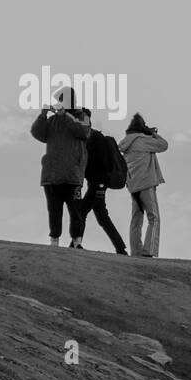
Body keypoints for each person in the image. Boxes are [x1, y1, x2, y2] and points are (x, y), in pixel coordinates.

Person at [31, 86, 90, 247]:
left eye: (62, 100)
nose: (60, 104)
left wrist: (65, 117)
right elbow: (37, 133)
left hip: (72, 175)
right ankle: (54, 240)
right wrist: (43, 115)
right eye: (59, 101)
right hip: (52, 175)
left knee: (76, 211)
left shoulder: (82, 116)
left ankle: (77, 240)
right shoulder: (52, 120)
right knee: (54, 211)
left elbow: (84, 132)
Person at [75, 109, 127, 254]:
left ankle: (75, 244)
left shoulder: (95, 139)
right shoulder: (89, 137)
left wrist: (99, 186)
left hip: (98, 183)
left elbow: (100, 165)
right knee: (102, 217)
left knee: (81, 212)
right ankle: (120, 248)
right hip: (95, 183)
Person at [119, 112, 168, 257]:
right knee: (154, 218)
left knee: (136, 219)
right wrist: (152, 134)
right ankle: (149, 250)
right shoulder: (143, 140)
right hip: (146, 183)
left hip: (132, 185)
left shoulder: (125, 142)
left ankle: (136, 251)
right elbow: (164, 145)